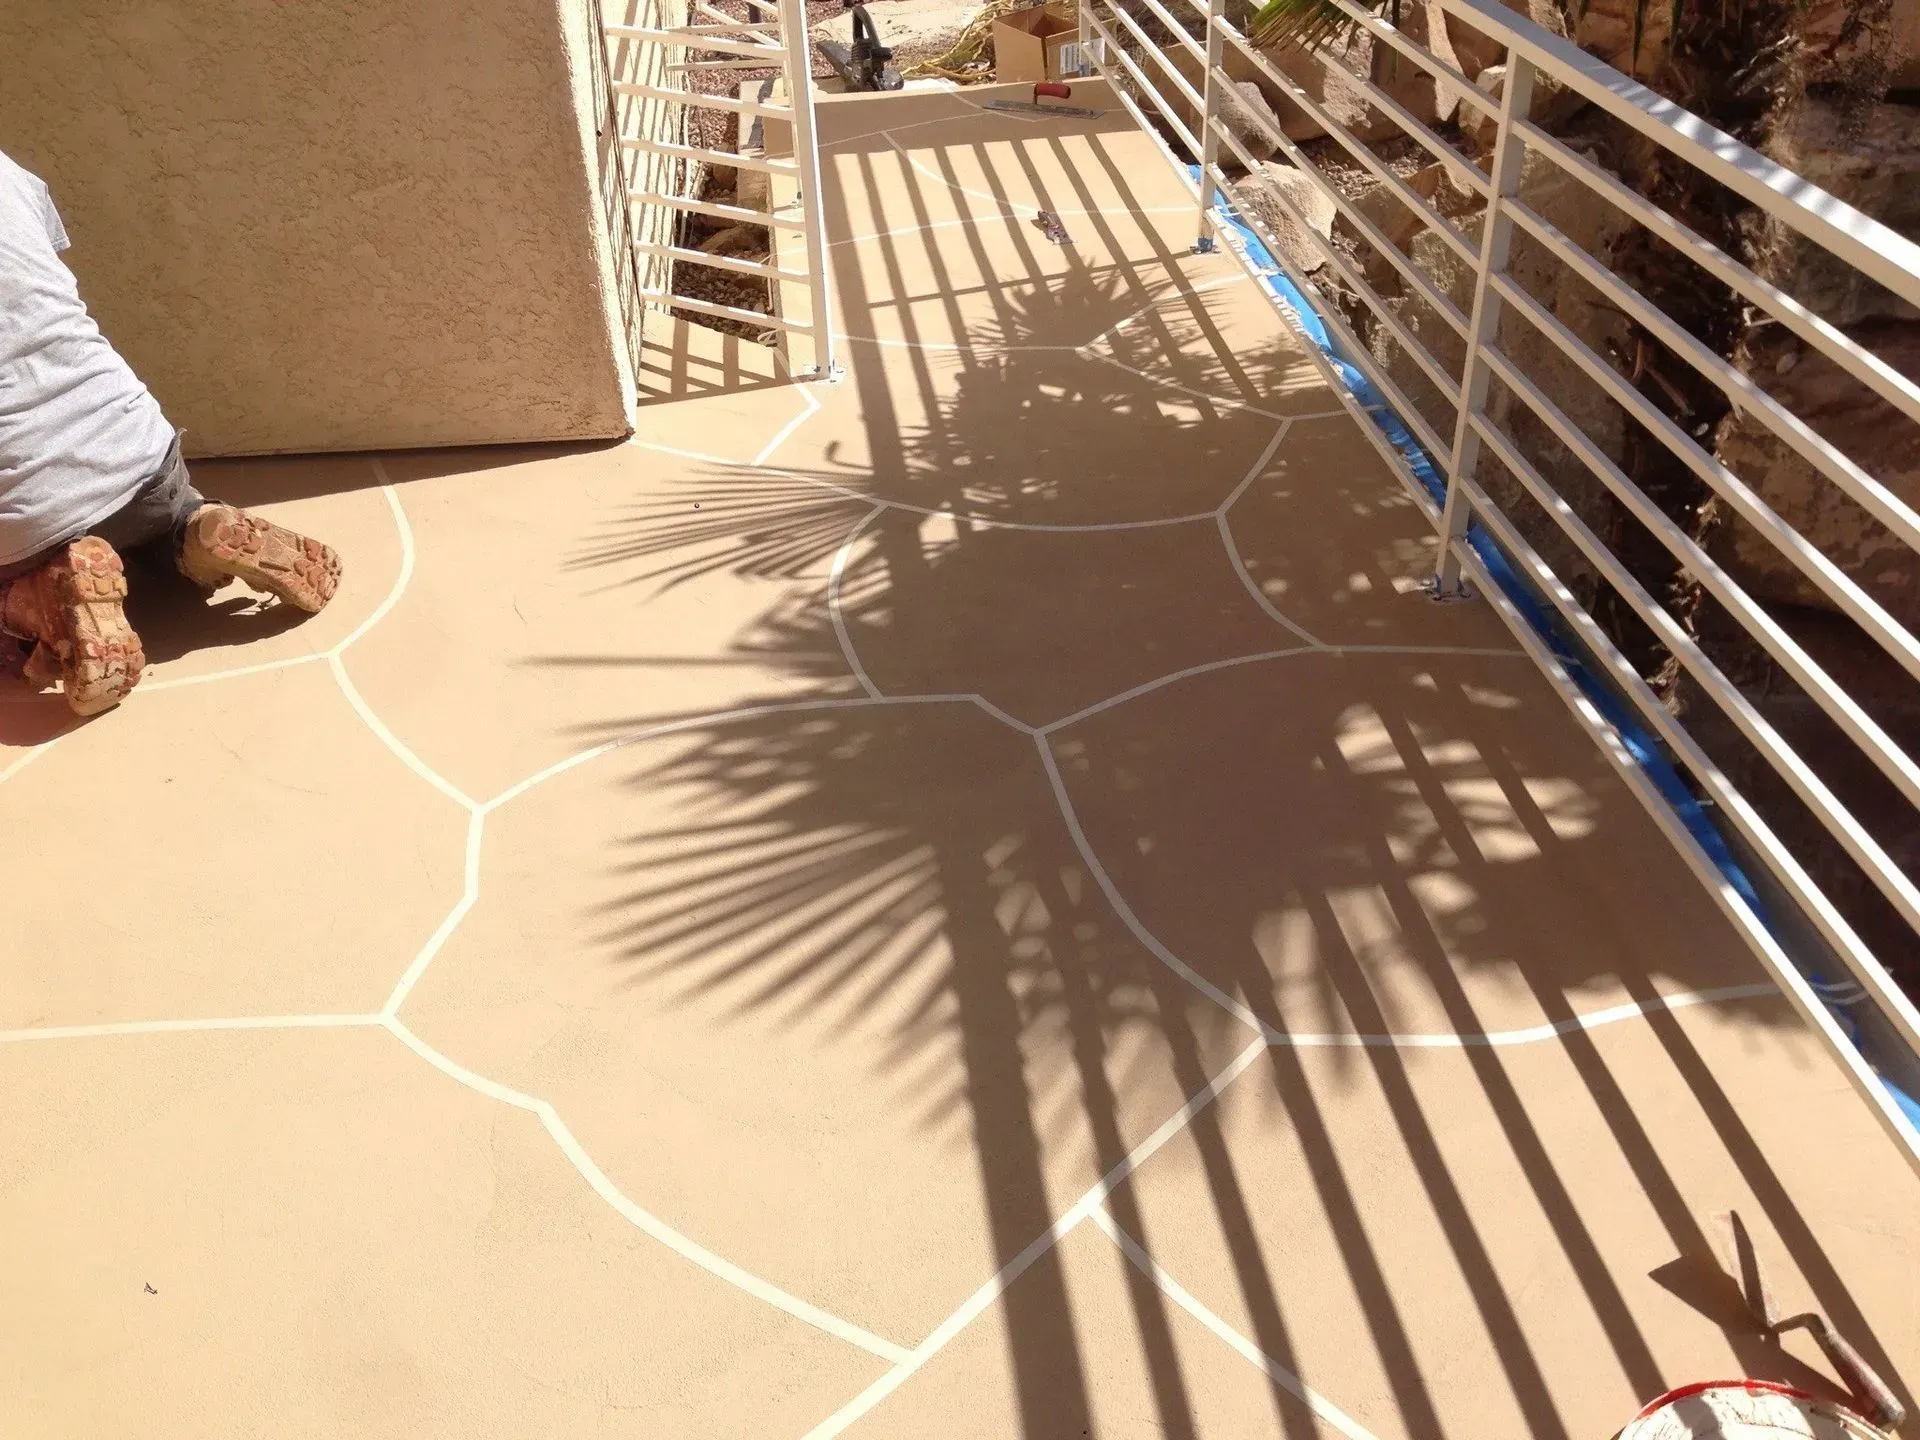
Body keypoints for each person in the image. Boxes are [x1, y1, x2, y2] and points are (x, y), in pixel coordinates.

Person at [0, 148, 340, 717]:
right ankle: (197, 530)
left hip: (23, 515)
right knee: (159, 524)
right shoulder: (9, 171)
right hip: (139, 447)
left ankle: (38, 601)